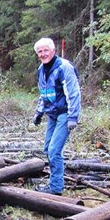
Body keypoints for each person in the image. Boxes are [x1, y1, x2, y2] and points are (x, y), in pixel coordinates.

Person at [32, 37, 81, 195]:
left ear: (53, 51)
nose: (43, 54)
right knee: (48, 148)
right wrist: (39, 112)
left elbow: (73, 93)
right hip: (52, 114)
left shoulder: (63, 67)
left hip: (64, 114)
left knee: (54, 150)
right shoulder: (41, 69)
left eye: (46, 50)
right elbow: (44, 93)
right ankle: (54, 182)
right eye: (40, 51)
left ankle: (56, 188)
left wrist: (73, 117)